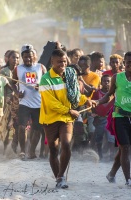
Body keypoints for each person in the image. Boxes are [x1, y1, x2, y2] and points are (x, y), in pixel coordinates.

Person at [39, 49, 94, 189]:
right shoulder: (45, 79)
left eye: (64, 62)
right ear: (52, 62)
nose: (62, 64)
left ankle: (61, 176)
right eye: (59, 62)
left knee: (66, 144)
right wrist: (70, 110)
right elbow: (51, 103)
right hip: (50, 119)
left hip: (66, 118)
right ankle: (59, 177)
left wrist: (85, 100)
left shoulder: (70, 74)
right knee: (53, 149)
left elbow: (74, 95)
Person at [96, 51, 131, 186]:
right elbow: (109, 95)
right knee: (125, 147)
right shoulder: (117, 77)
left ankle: (111, 174)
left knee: (123, 149)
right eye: (128, 63)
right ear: (124, 63)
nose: (130, 65)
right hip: (120, 117)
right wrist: (98, 102)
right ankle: (128, 180)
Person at [12, 44, 47, 160]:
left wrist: (41, 86)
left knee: (37, 129)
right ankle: (22, 151)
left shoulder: (41, 67)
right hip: (24, 103)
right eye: (25, 57)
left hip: (38, 103)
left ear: (34, 56)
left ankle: (31, 151)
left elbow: (47, 83)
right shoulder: (18, 69)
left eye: (30, 56)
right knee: (21, 127)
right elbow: (12, 83)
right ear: (22, 57)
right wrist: (17, 92)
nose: (28, 59)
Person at [91, 74, 115, 160]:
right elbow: (93, 104)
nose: (106, 83)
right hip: (100, 119)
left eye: (108, 81)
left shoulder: (114, 93)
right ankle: (100, 155)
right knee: (99, 137)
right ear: (101, 82)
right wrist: (95, 115)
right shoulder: (97, 93)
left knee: (111, 137)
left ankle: (111, 155)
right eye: (104, 81)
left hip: (110, 119)